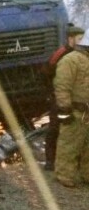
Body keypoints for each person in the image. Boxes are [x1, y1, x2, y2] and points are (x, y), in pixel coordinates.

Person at [43, 25, 85, 170]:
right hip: (59, 97)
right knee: (56, 128)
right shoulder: (61, 53)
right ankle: (51, 160)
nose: (81, 41)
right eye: (79, 38)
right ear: (70, 38)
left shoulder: (83, 54)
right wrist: (53, 94)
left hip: (76, 99)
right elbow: (47, 74)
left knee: (76, 132)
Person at [52, 31, 89, 187]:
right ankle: (64, 175)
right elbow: (62, 86)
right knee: (69, 144)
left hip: (85, 111)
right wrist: (65, 110)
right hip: (76, 110)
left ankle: (86, 174)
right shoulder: (70, 60)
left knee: (87, 146)